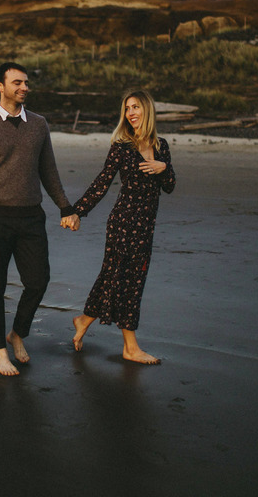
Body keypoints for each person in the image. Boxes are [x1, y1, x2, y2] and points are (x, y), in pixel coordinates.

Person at [0, 62, 81, 376]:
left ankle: (17, 334)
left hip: (31, 218)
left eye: (26, 82)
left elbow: (49, 172)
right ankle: (0, 351)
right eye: (17, 82)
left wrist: (66, 207)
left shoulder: (38, 125)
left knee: (38, 281)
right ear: (0, 86)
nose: (24, 87)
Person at [71, 88, 175, 364]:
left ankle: (83, 320)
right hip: (122, 223)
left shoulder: (161, 146)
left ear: (147, 111)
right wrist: (77, 211)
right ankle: (130, 347)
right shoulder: (122, 147)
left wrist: (164, 168)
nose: (131, 113)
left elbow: (170, 187)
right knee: (121, 280)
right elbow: (102, 182)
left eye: (136, 107)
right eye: (127, 108)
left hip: (145, 227)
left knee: (127, 280)